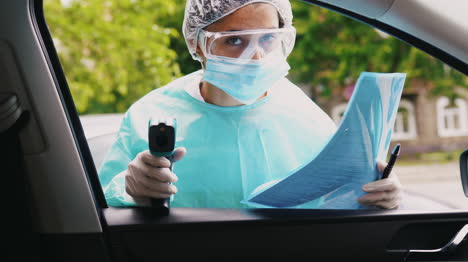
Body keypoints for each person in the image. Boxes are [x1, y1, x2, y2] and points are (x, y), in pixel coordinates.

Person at [99, 0, 402, 209]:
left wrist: (379, 195)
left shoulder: (306, 115)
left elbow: (338, 201)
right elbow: (93, 208)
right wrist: (127, 188)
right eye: (234, 41)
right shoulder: (148, 115)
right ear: (197, 44)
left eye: (268, 38)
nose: (256, 57)